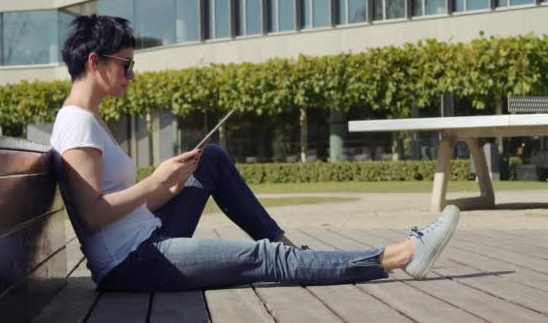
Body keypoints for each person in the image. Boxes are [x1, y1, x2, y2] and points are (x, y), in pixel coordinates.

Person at [50, 15, 460, 292]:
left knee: (210, 159)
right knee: (263, 259)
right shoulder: (78, 124)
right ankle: (401, 255)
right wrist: (154, 181)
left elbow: (124, 208)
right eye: (126, 65)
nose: (131, 76)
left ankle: (289, 247)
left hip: (144, 239)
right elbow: (94, 214)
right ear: (94, 62)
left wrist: (170, 186)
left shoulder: (91, 119)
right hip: (131, 263)